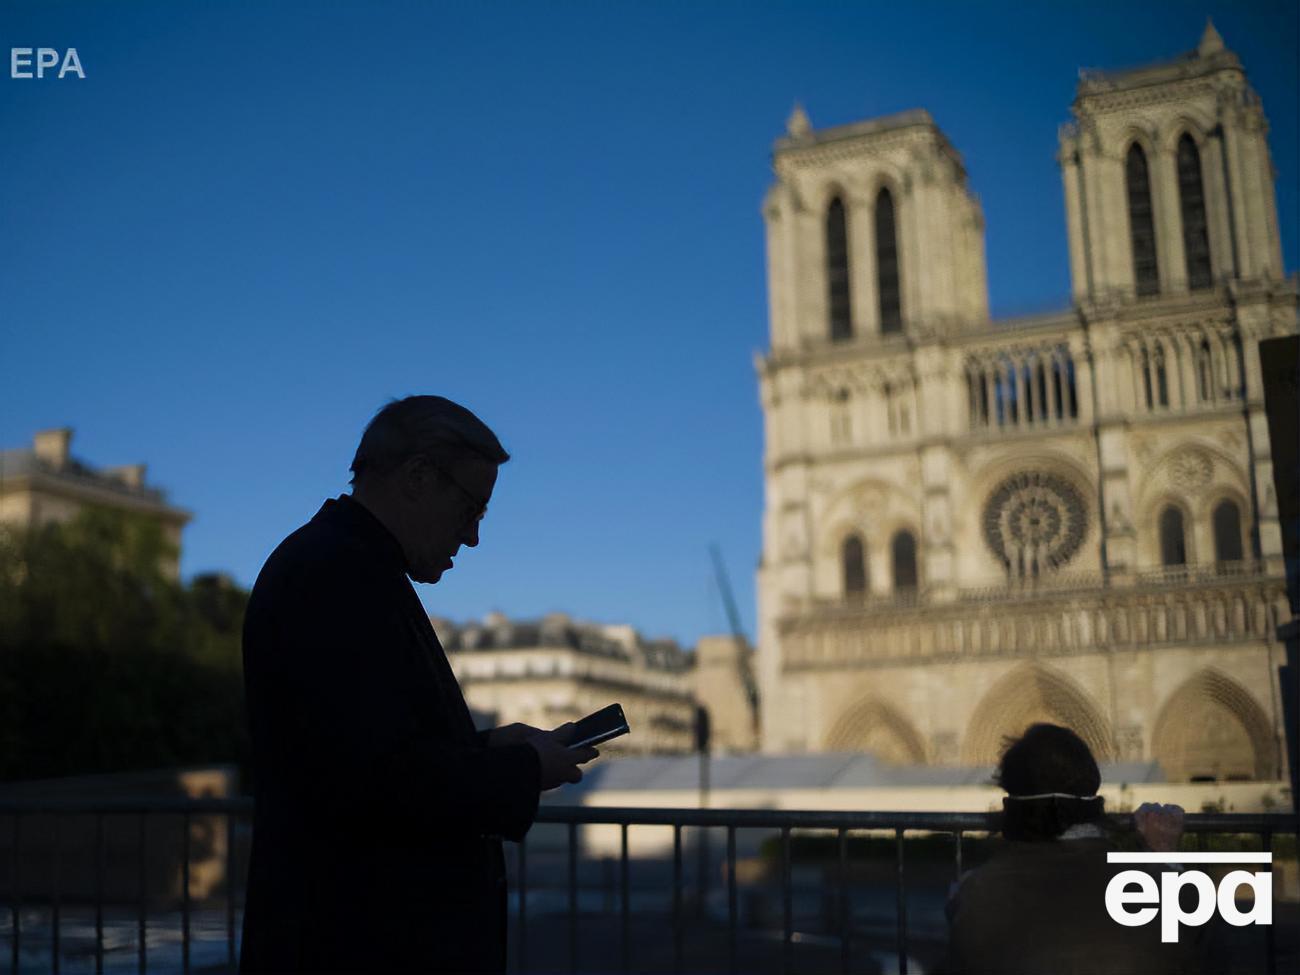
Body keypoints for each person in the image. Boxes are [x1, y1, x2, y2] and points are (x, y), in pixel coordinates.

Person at [239, 395, 597, 974]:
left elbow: (365, 750)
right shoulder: (338, 575)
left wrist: (486, 748)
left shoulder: (340, 565)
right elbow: (378, 781)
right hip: (361, 942)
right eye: (471, 508)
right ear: (418, 477)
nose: (473, 536)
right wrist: (524, 769)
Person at [940, 723, 1211, 975]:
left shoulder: (975, 892)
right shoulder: (1159, 889)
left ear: (1009, 807)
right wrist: (1164, 855)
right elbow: (1192, 936)